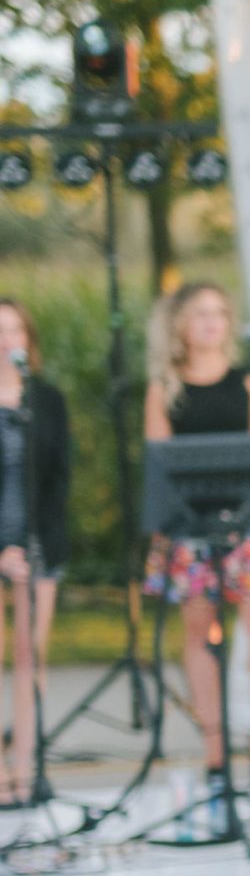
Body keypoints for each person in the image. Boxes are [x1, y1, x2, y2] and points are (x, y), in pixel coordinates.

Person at [143, 281, 250, 788]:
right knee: (200, 634)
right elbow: (160, 462)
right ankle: (214, 749)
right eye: (200, 313)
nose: (211, 323)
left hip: (245, 524)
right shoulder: (165, 389)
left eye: (219, 313)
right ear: (181, 325)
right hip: (190, 529)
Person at [0, 298, 71, 808]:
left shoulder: (46, 400)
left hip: (38, 547)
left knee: (30, 655)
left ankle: (25, 766)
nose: (6, 340)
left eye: (14, 330)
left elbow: (58, 480)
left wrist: (31, 547)